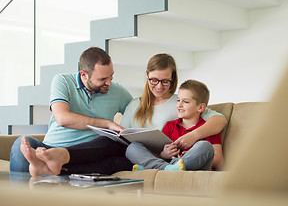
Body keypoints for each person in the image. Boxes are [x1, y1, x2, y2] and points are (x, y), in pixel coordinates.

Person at [19, 53, 227, 176]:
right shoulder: (133, 103)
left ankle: (61, 160)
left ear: (173, 80)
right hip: (135, 155)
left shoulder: (181, 103)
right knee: (120, 149)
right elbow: (123, 136)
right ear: (146, 77)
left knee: (117, 159)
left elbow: (219, 119)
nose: (159, 86)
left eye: (166, 81)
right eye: (154, 80)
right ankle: (58, 165)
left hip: (158, 159)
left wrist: (191, 136)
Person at [10, 47, 134, 175]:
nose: (109, 83)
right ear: (84, 75)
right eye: (102, 79)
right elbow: (62, 118)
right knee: (21, 143)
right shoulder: (63, 81)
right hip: (51, 149)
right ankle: (23, 193)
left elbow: (140, 112)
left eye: (111, 76)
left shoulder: (117, 92)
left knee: (121, 157)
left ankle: (51, 170)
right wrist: (107, 123)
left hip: (89, 153)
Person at [126, 79, 224, 171]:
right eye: (178, 100)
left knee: (205, 146)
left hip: (193, 166)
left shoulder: (208, 128)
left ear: (201, 107)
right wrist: (164, 154)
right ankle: (168, 169)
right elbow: (161, 155)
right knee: (132, 147)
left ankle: (156, 168)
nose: (179, 105)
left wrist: (191, 156)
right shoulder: (170, 126)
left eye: (185, 101)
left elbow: (219, 161)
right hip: (169, 163)